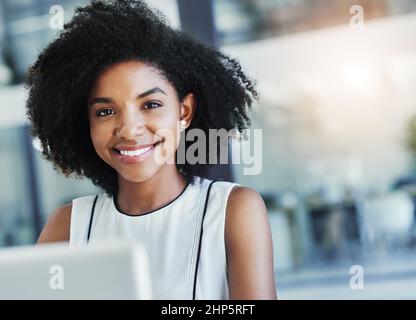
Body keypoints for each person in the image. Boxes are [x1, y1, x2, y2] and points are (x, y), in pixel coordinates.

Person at [27, 0, 276, 299]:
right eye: (105, 111)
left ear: (184, 112)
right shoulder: (67, 227)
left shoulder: (232, 210)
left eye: (151, 105)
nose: (130, 130)